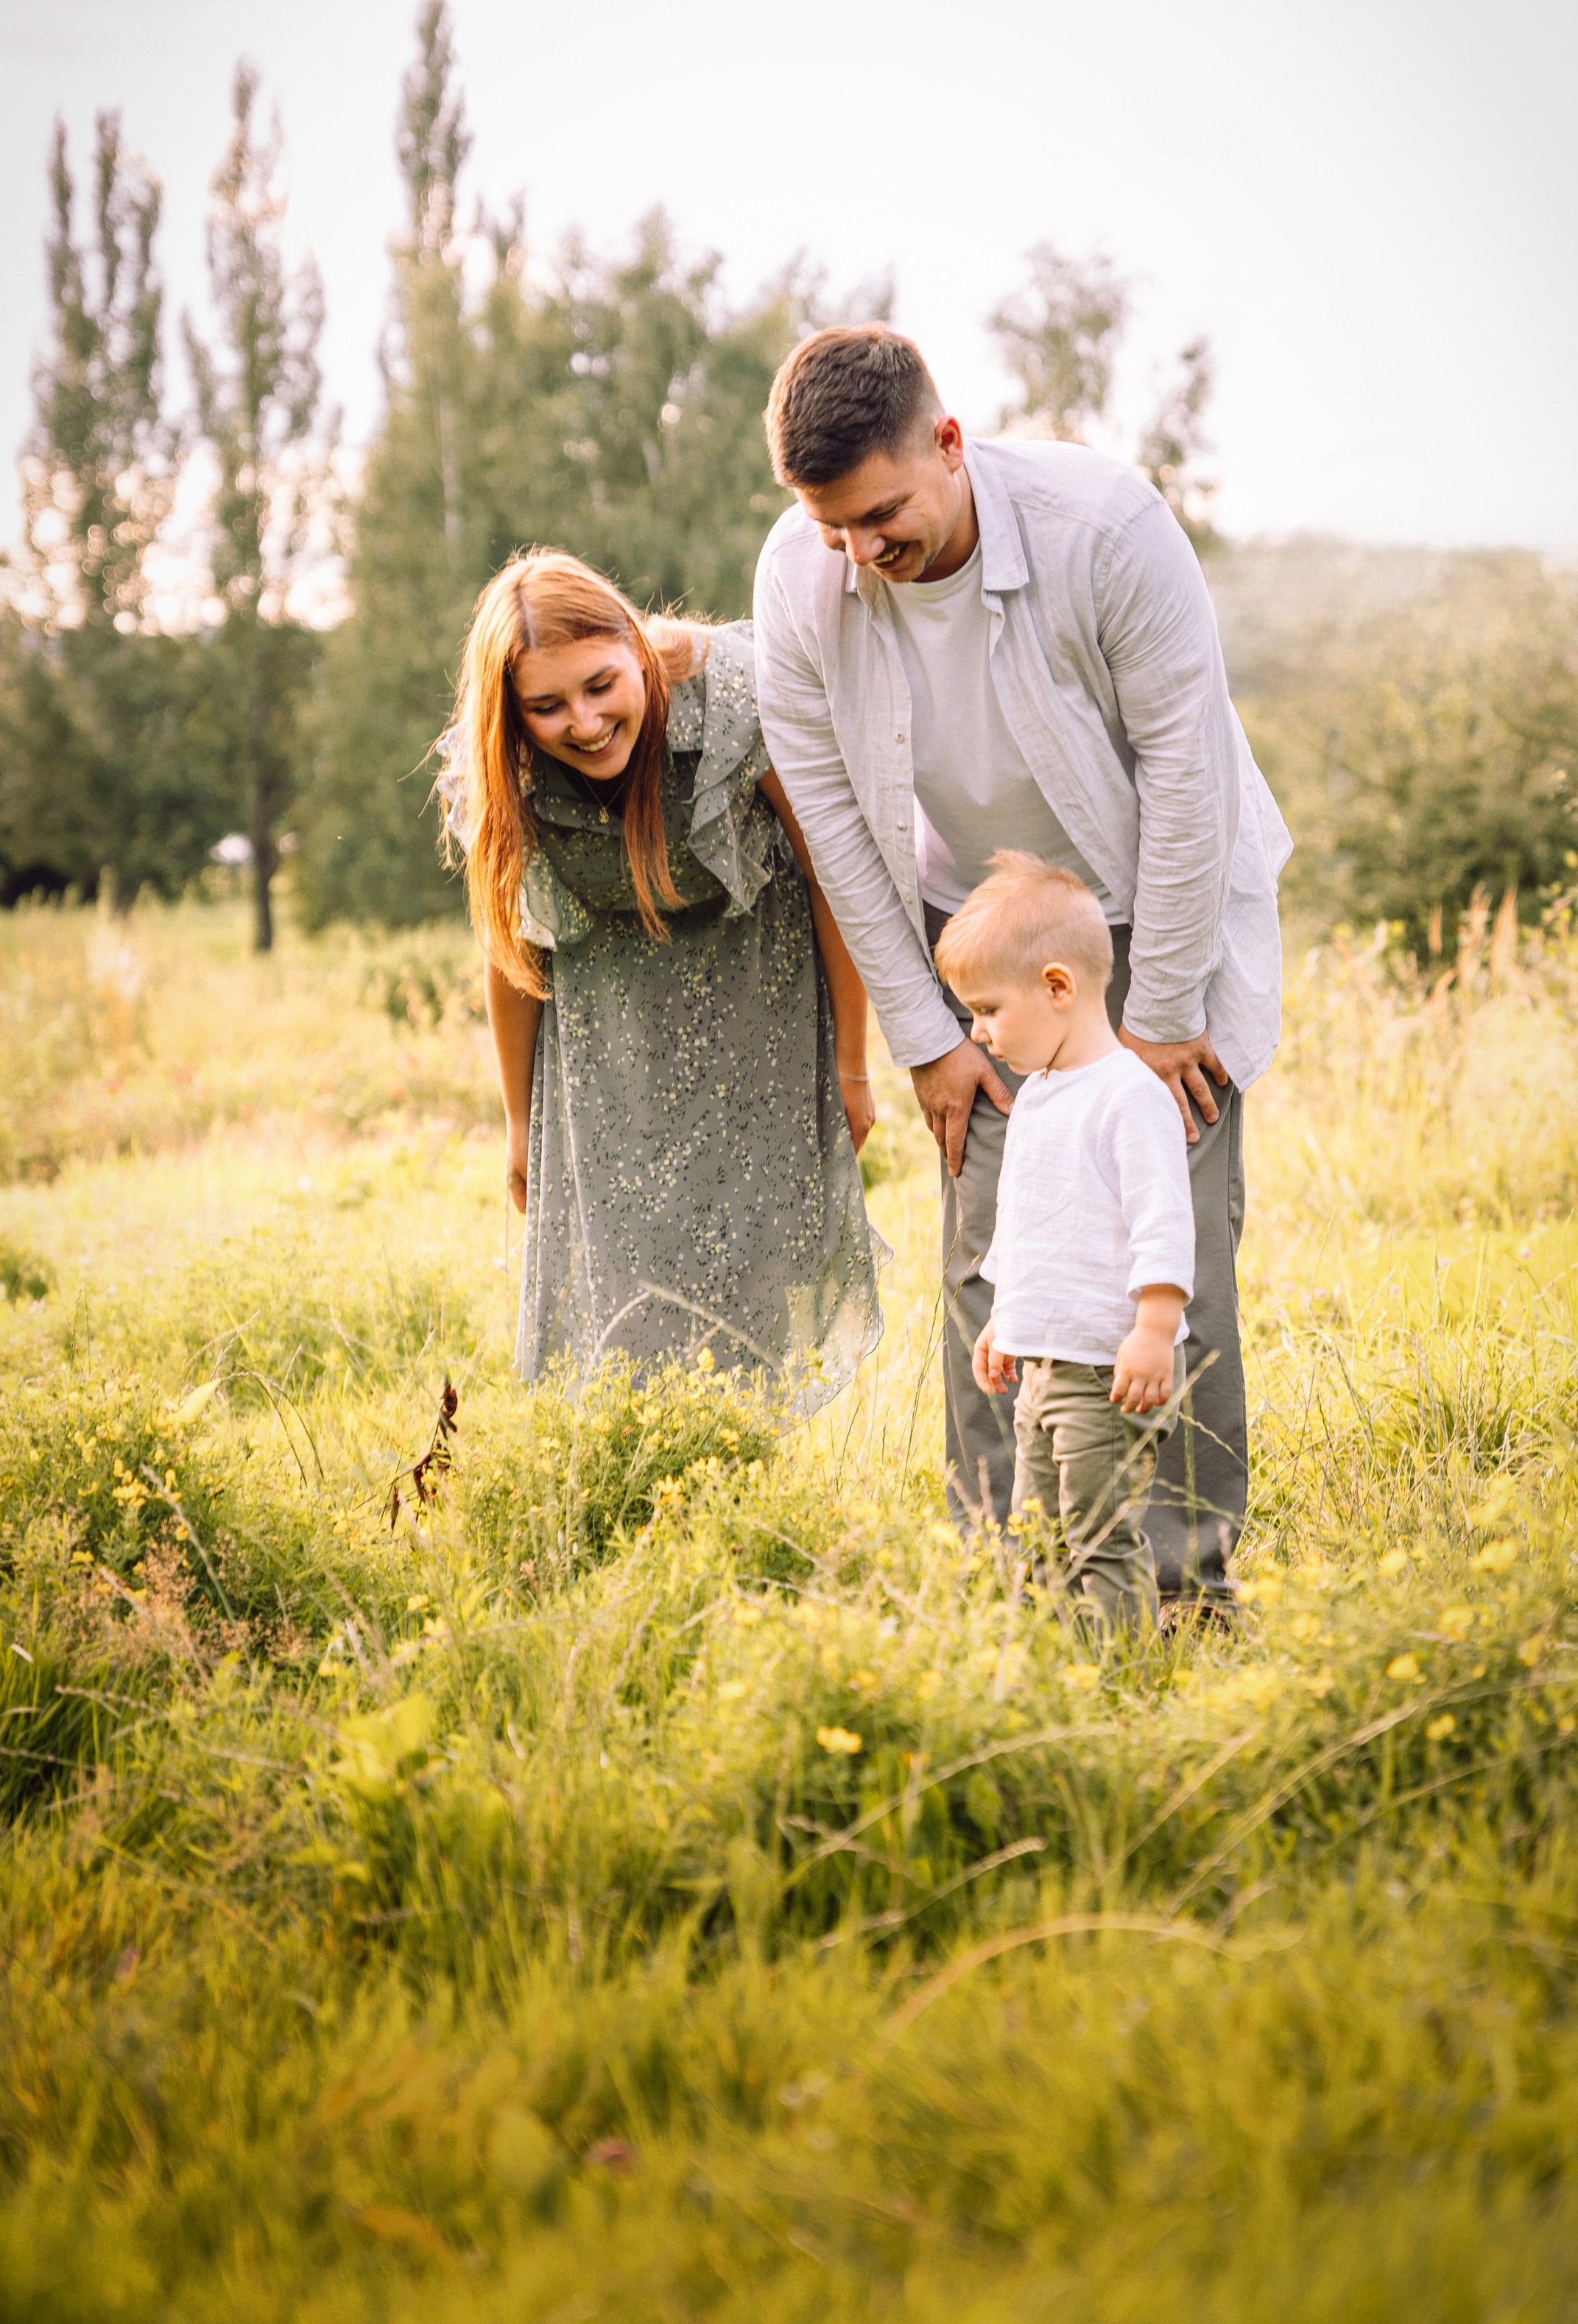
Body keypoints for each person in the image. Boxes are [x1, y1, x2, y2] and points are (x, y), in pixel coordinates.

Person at [750, 326, 1290, 1609]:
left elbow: (1187, 767)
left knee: (1174, 1268)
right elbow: (830, 820)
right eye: (833, 530)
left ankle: (1180, 1596)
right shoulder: (799, 578)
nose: (861, 556)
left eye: (884, 519)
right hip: (975, 948)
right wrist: (929, 1041)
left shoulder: (1105, 526)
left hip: (1146, 915)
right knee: (995, 1272)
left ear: (950, 443)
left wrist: (1157, 1016)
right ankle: (1010, 1583)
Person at [444, 551, 882, 1402]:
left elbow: (832, 872)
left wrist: (852, 1065)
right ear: (512, 712)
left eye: (601, 684)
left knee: (752, 1283)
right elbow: (513, 948)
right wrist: (517, 1122)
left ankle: (742, 1485)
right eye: (547, 705)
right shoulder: (504, 769)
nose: (583, 720)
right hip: (612, 1057)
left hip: (761, 1020)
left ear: (633, 648)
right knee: (624, 1296)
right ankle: (639, 1478)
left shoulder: (735, 705)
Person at [937, 853, 1194, 1639]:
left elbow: (1161, 1223)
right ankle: (1053, 1665)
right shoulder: (1040, 1095)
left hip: (1103, 1366)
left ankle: (1123, 1672)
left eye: (985, 1010)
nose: (978, 1033)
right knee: (1039, 1532)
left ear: (1057, 987)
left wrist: (1153, 1332)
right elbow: (1029, 1223)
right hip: (1043, 1363)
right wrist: (1003, 1320)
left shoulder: (1128, 1095)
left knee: (1096, 1532)